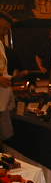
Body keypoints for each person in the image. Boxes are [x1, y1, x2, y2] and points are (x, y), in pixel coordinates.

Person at [0, 12, 15, 143]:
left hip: (3, 98)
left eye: (6, 29)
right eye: (2, 28)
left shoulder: (1, 44)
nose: (4, 32)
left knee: (6, 137)